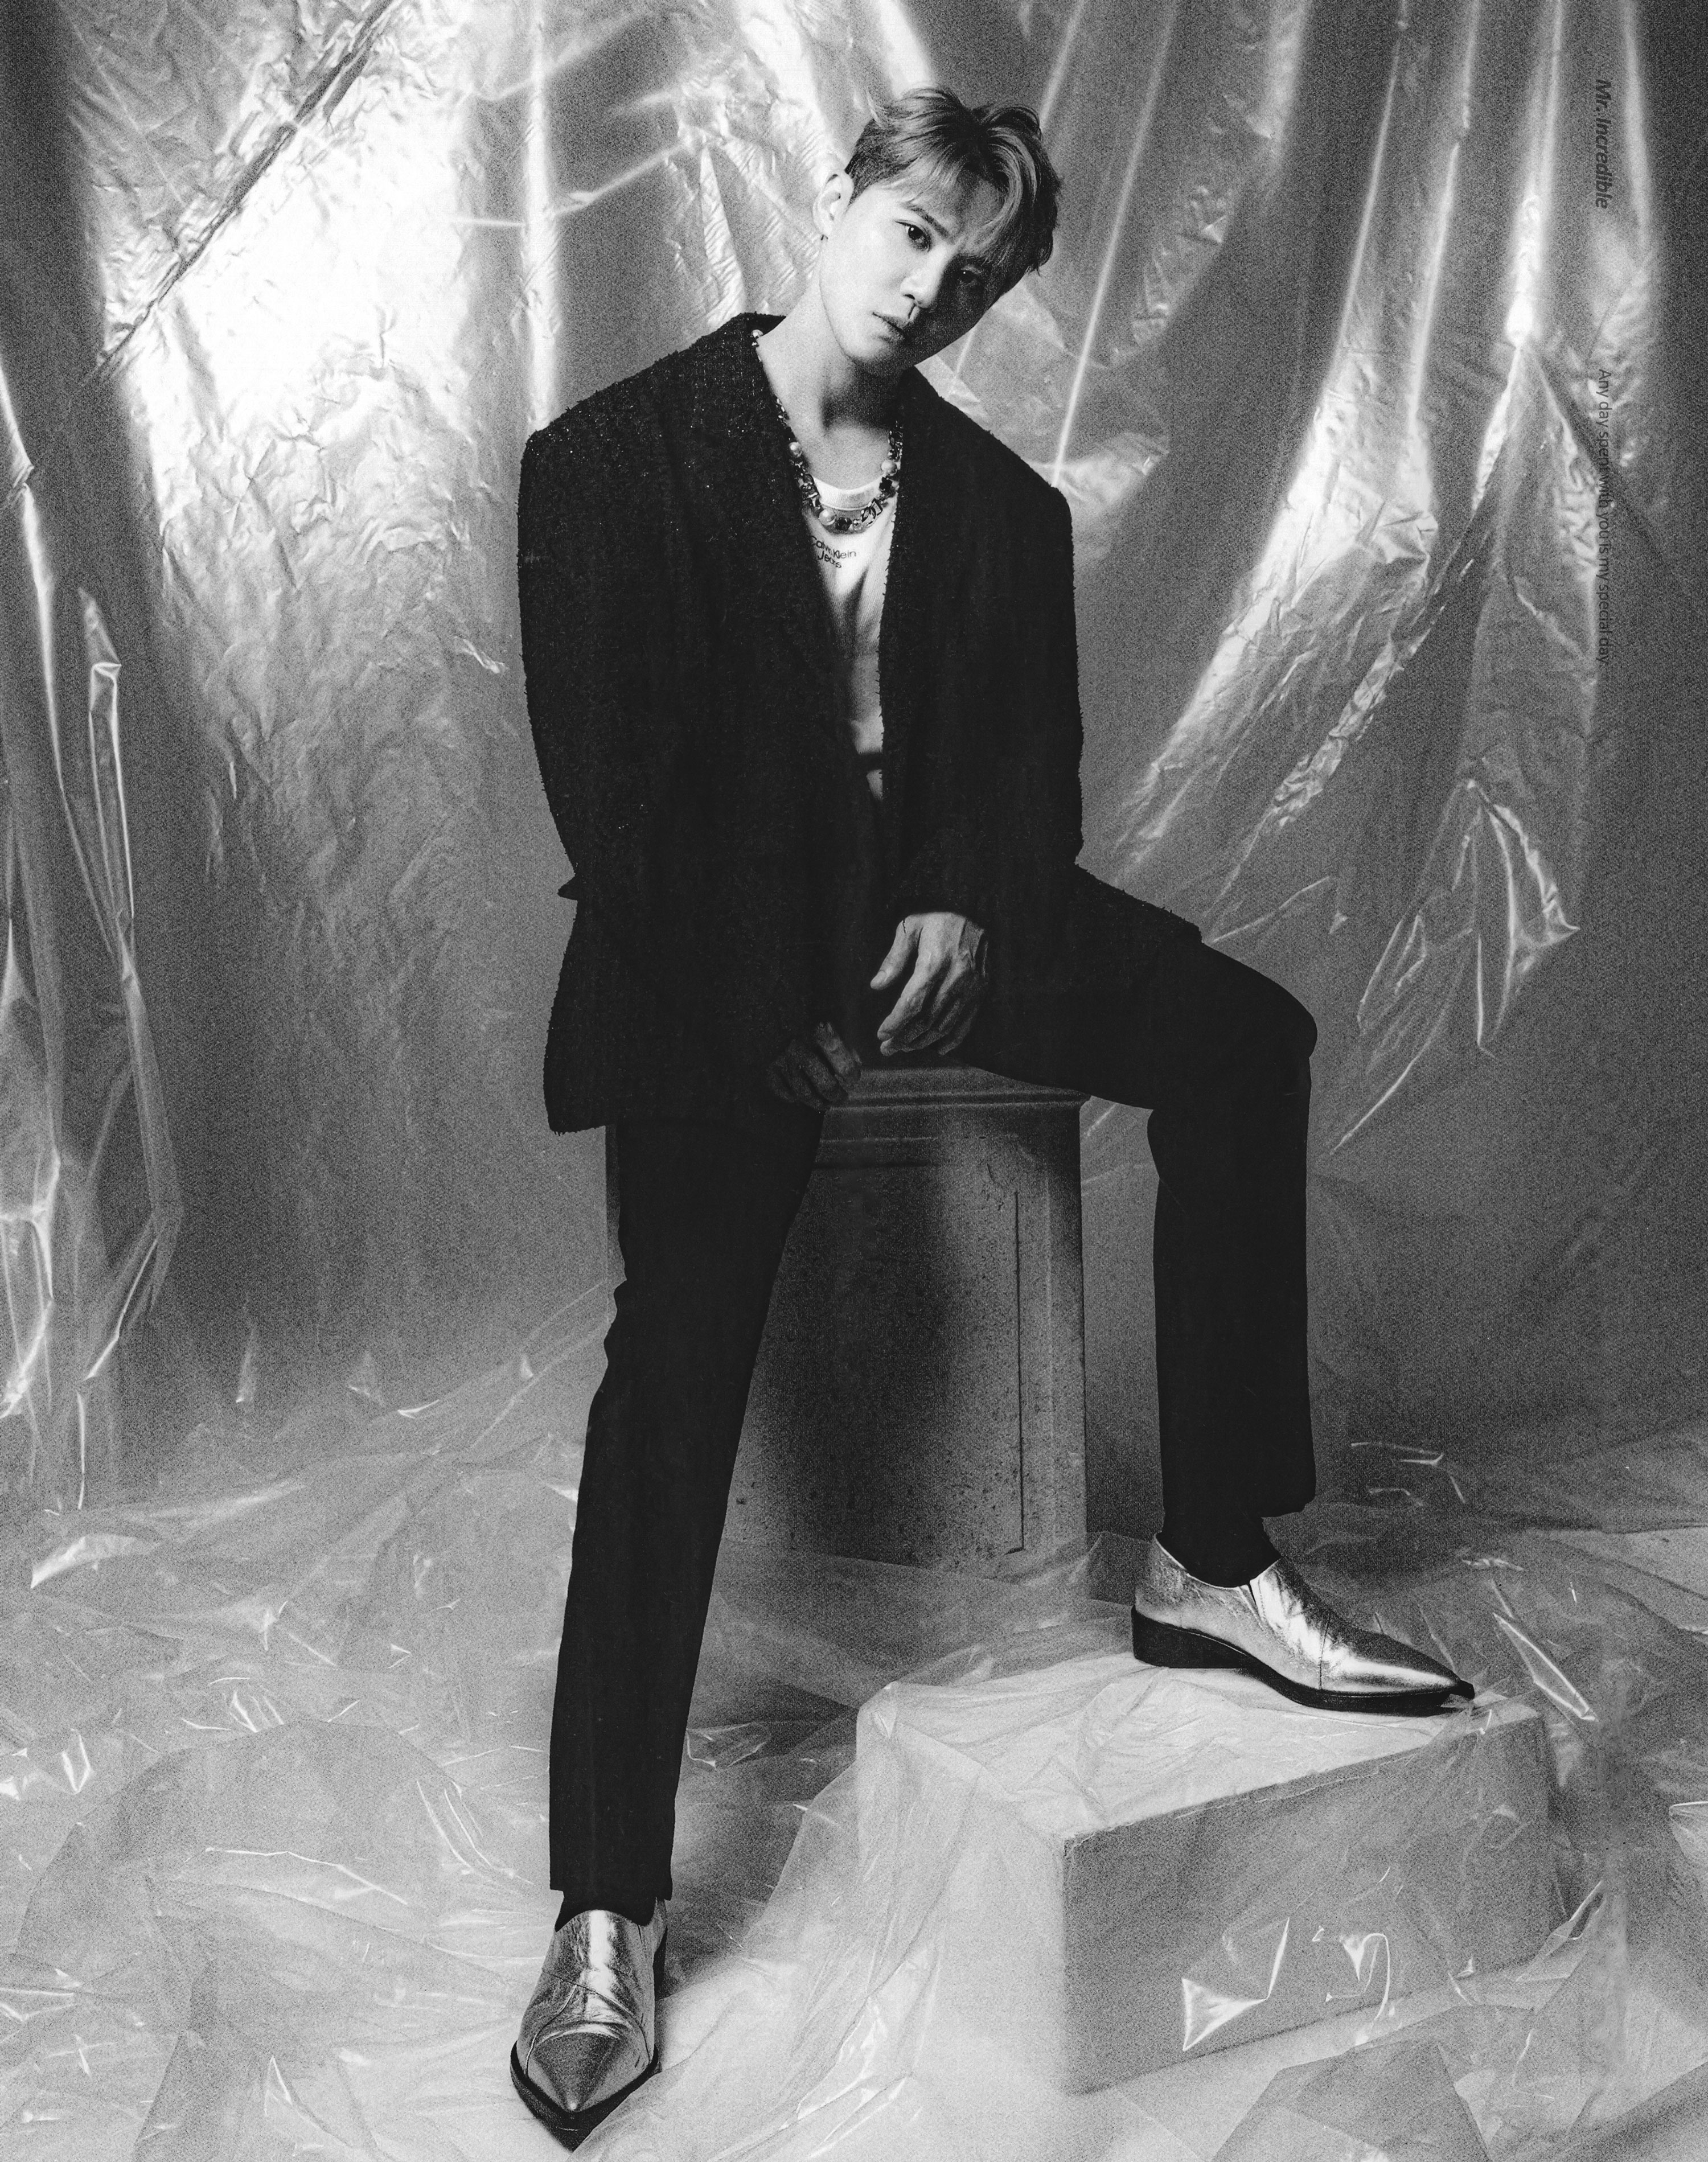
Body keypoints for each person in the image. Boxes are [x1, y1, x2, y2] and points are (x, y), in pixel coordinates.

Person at [511, 87, 1471, 2148]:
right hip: (719, 965)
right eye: (916, 232)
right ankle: (604, 1904)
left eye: (979, 273)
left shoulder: (1003, 508)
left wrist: (961, 890)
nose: (935, 288)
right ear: (842, 196)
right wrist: (781, 1014)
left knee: (1244, 1039)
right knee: (671, 1370)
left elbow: (1032, 772)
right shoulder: (609, 461)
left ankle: (1215, 1561)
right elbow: (616, 797)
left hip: (939, 930)